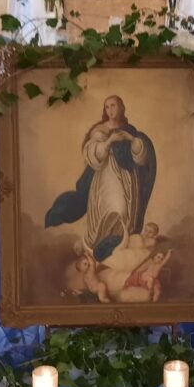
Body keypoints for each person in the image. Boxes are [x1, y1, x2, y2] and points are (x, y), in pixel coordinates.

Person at [46, 95, 156, 262]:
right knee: (108, 211)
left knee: (123, 213)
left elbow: (141, 158)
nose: (110, 110)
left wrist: (131, 139)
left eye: (113, 106)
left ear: (122, 108)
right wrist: (109, 141)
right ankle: (98, 250)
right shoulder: (100, 130)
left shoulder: (130, 130)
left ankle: (113, 250)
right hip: (106, 176)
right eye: (107, 107)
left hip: (127, 178)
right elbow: (92, 153)